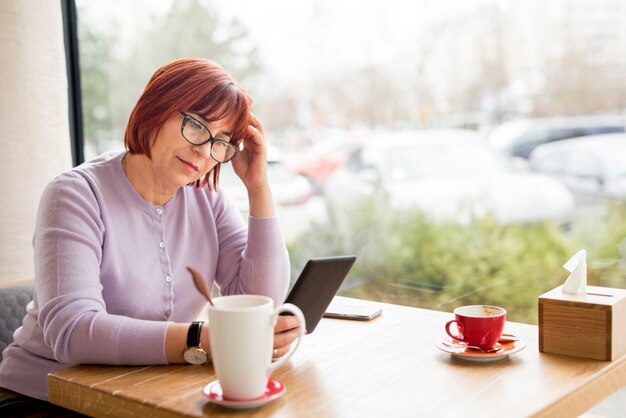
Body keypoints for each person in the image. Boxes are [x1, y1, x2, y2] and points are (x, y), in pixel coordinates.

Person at [0, 58, 301, 414]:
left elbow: (256, 301)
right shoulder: (75, 195)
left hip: (145, 389)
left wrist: (258, 186)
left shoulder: (208, 199)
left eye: (221, 142)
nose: (204, 151)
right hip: (44, 399)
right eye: (196, 125)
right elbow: (73, 332)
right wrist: (202, 339)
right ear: (155, 109)